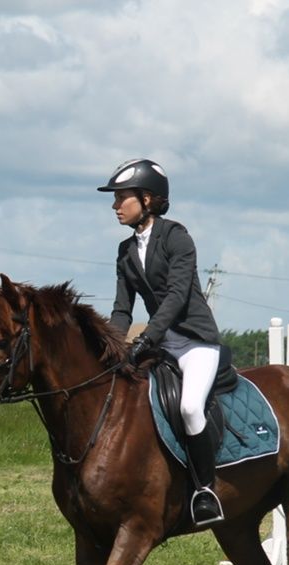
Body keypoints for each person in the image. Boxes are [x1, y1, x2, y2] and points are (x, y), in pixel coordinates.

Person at [98, 158, 225, 527]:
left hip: (195, 343)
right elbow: (122, 309)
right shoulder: (125, 252)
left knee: (188, 408)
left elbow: (176, 297)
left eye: (122, 198)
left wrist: (147, 338)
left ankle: (205, 490)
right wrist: (110, 345)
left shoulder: (177, 238)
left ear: (148, 199)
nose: (115, 205)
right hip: (159, 344)